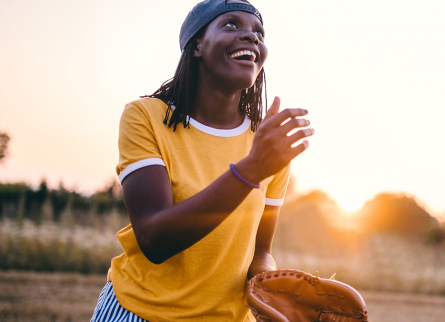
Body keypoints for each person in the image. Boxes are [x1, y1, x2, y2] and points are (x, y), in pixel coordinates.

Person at [90, 0, 314, 321]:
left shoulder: (264, 140)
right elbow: (154, 239)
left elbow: (260, 250)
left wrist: (270, 287)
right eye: (231, 25)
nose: (251, 36)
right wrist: (251, 170)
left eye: (258, 32)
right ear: (197, 46)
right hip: (141, 311)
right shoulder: (145, 117)